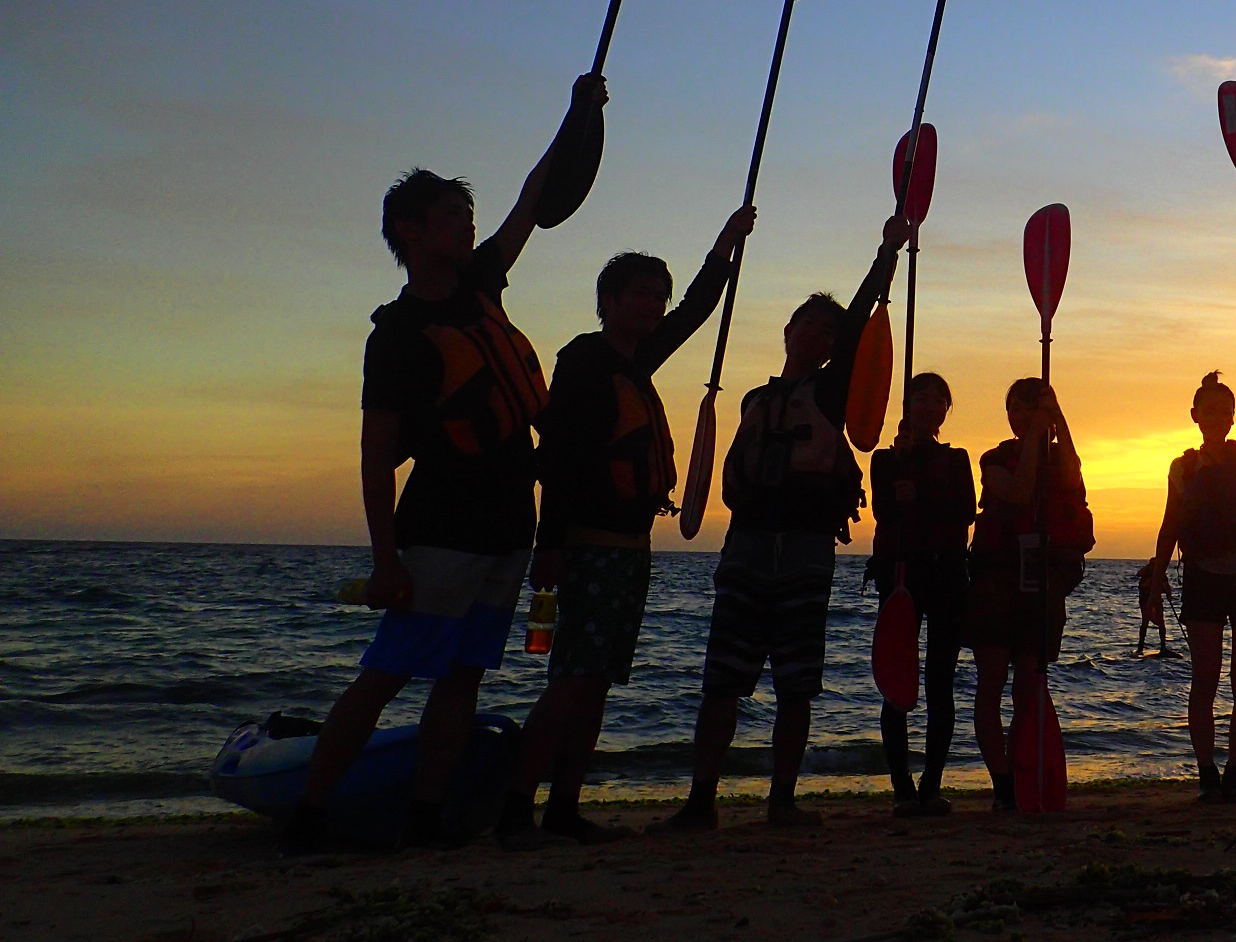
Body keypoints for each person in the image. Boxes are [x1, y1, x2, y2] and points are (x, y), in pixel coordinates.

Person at [281, 74, 605, 856]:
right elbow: (374, 456)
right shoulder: (398, 335)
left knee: (464, 679)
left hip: (506, 528)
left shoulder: (482, 283)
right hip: (439, 533)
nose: (468, 225)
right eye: (453, 216)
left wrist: (576, 116)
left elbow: (533, 199)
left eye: (466, 214)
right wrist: (385, 556)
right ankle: (311, 814)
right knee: (388, 673)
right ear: (410, 230)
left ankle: (428, 816)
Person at [495, 205, 755, 848]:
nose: (653, 306)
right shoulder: (585, 363)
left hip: (631, 549)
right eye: (640, 294)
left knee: (599, 682)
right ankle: (514, 809)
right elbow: (558, 458)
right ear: (607, 301)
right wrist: (547, 546)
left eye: (657, 297)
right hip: (587, 547)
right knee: (572, 681)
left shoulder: (639, 360)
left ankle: (564, 806)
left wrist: (724, 246)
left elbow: (696, 311)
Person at [657, 212, 908, 832]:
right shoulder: (754, 400)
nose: (822, 337)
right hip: (745, 547)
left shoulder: (829, 394)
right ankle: (701, 800)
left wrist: (886, 252)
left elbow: (857, 329)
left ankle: (782, 801)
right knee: (723, 678)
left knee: (797, 682)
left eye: (830, 332)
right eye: (811, 327)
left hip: (802, 548)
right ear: (788, 330)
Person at [1143, 336, 1236, 802]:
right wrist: (1157, 574)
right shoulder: (1181, 467)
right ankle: (1206, 774)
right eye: (1208, 408)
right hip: (1202, 576)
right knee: (1205, 677)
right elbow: (1169, 524)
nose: (1217, 416)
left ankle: (1234, 775)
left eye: (1225, 409)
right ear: (1195, 415)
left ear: (1231, 416)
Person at [965, 378, 1092, 811]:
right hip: (996, 583)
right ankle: (1001, 783)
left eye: (1031, 408)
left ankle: (1022, 772)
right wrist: (1035, 436)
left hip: (1039, 584)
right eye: (1016, 409)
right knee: (992, 680)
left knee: (1027, 687)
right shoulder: (994, 459)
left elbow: (1073, 480)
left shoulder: (1060, 458)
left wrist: (1059, 421)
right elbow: (1018, 493)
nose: (1022, 416)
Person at [868, 372, 976, 817]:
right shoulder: (885, 460)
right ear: (908, 406)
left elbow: (966, 512)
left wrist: (923, 492)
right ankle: (901, 787)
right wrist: (902, 475)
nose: (931, 407)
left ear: (947, 410)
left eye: (939, 400)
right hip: (901, 574)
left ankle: (931, 784)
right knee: (896, 682)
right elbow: (882, 511)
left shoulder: (956, 459)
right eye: (923, 399)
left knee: (940, 682)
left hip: (947, 575)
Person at [1136, 565, 1172, 657]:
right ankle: (1141, 647)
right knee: (1146, 622)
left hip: (1155, 600)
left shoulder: (1160, 573)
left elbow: (1166, 585)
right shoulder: (1147, 571)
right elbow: (1138, 574)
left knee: (1158, 622)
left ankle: (1162, 647)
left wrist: (1168, 595)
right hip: (1146, 599)